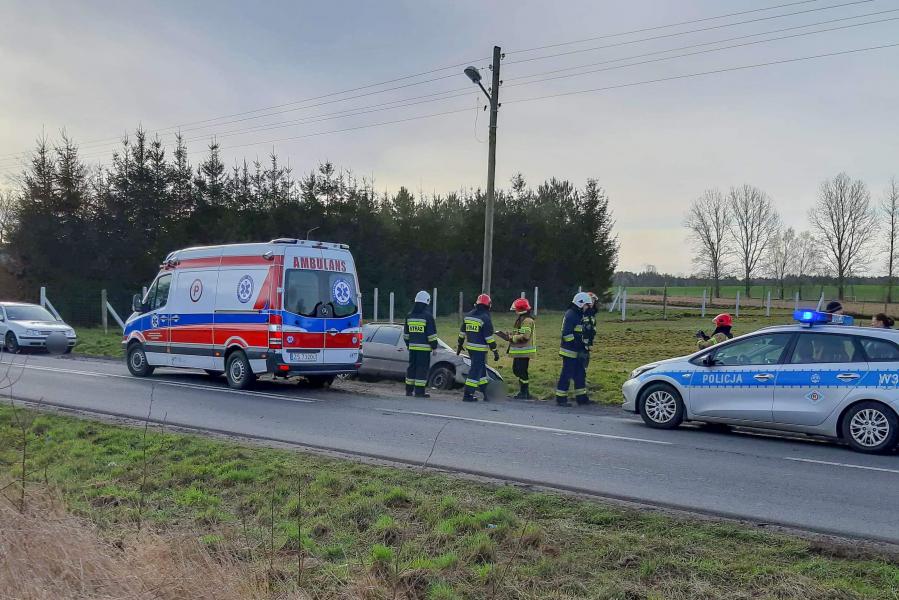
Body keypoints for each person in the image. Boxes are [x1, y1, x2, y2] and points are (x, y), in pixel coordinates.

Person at [456, 294, 499, 402]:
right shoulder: (485, 318)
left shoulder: (468, 316)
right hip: (480, 350)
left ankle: (485, 394)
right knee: (475, 371)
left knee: (481, 371)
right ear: (488, 305)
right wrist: (495, 351)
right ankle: (467, 395)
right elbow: (489, 338)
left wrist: (460, 345)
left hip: (470, 348)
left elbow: (462, 333)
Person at [555, 292, 593, 406]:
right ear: (580, 303)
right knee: (567, 375)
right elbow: (567, 334)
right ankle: (561, 398)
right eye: (586, 305)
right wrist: (577, 345)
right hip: (569, 351)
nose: (587, 307)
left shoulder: (579, 314)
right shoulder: (571, 315)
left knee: (580, 374)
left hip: (577, 351)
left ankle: (581, 398)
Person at [496, 298, 536, 399]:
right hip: (520, 351)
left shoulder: (527, 321)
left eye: (516, 310)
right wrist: (509, 334)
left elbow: (525, 336)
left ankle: (524, 393)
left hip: (524, 351)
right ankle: (524, 392)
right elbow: (520, 333)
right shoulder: (522, 319)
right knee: (518, 371)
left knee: (521, 371)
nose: (515, 312)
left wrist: (510, 338)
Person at [403, 290, 439, 397]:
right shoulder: (428, 316)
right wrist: (434, 347)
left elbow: (406, 335)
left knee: (411, 368)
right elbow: (431, 335)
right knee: (421, 369)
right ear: (426, 302)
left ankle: (408, 390)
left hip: (412, 348)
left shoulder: (409, 316)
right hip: (424, 349)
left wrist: (409, 345)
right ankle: (419, 392)